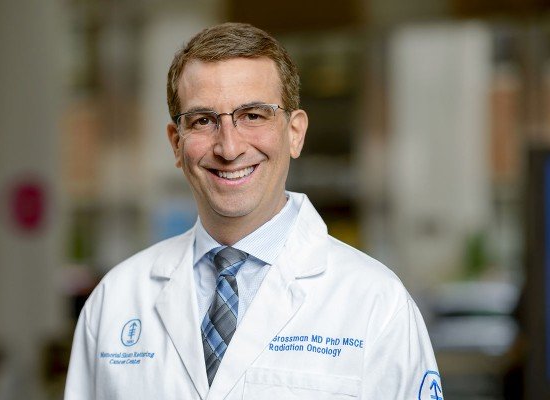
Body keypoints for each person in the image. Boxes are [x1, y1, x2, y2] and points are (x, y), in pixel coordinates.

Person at [65, 22, 442, 400]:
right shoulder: (116, 300)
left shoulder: (377, 302)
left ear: (295, 133)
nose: (229, 148)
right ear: (176, 143)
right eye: (203, 120)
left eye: (253, 116)